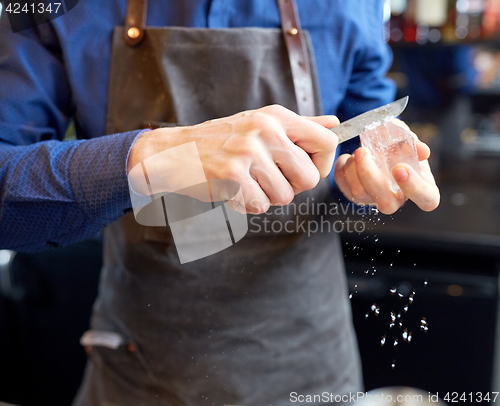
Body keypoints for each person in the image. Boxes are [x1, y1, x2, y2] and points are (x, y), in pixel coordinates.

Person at [0, 1, 440, 405]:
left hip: (311, 368)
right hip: (143, 372)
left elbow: (366, 134)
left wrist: (368, 182)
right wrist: (159, 155)